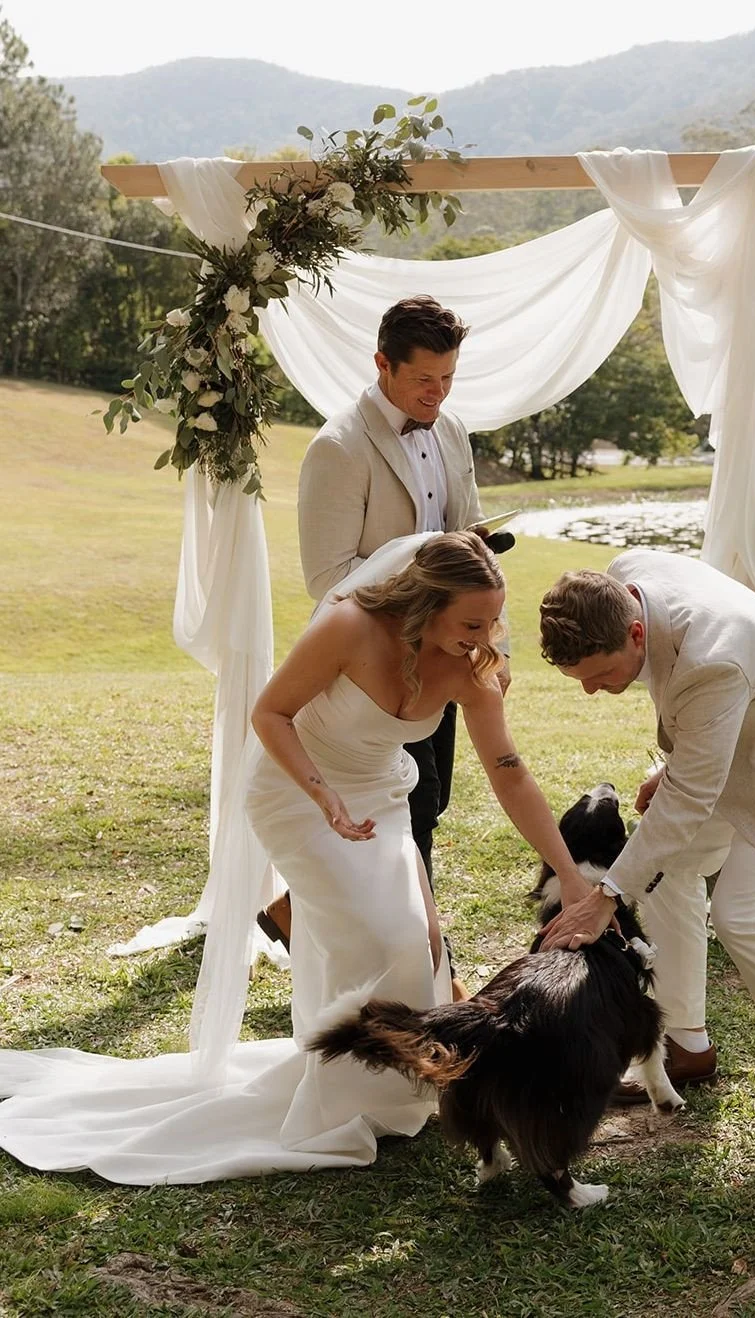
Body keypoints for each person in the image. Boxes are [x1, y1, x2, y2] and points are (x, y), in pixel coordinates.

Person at [0, 532, 588, 1184]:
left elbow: (508, 772)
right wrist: (323, 795)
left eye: (493, 619)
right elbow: (271, 713)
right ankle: (342, 1100)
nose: (488, 637)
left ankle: (392, 1094)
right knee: (379, 932)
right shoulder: (348, 627)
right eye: (473, 621)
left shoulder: (470, 666)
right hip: (294, 791)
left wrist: (566, 870)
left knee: (420, 944)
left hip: (378, 798)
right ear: (426, 604)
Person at [537, 548, 755, 1157]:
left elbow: (692, 794)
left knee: (743, 911)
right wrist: (676, 767)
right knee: (665, 872)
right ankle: (686, 1041)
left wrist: (607, 897)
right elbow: (695, 763)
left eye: (597, 673)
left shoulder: (712, 658)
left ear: (635, 631)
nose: (589, 690)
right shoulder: (624, 576)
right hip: (732, 745)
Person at [259, 295, 507, 981]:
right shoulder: (338, 447)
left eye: (449, 379)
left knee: (433, 799)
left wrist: (489, 641)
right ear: (382, 364)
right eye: (424, 379)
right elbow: (328, 576)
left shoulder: (451, 431)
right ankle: (429, 969)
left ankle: (294, 912)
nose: (438, 394)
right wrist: (418, 583)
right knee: (415, 804)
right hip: (371, 670)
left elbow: (470, 542)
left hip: (446, 653)